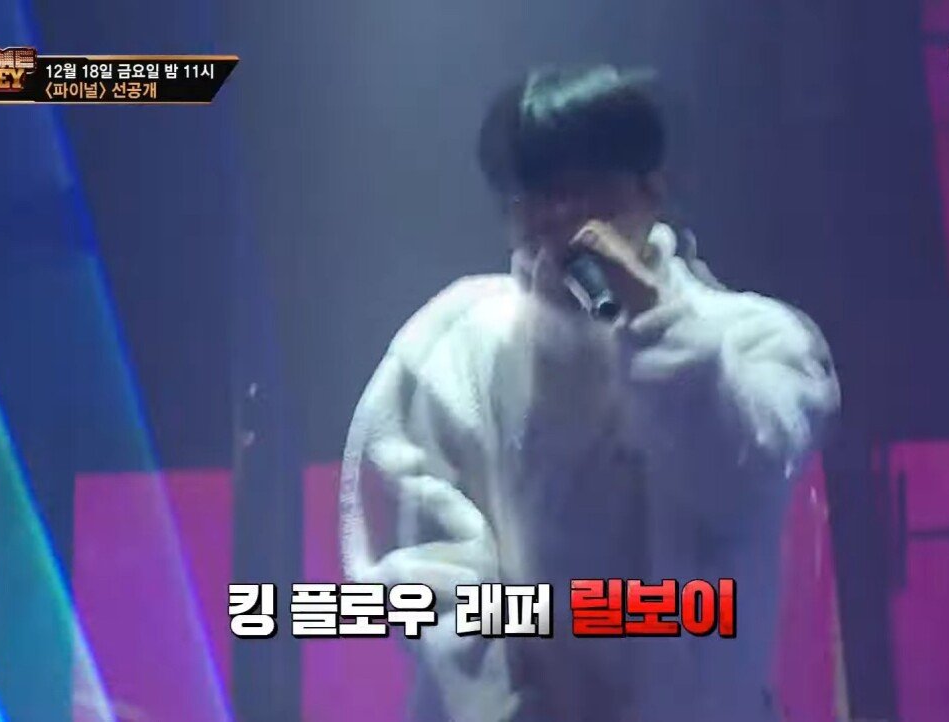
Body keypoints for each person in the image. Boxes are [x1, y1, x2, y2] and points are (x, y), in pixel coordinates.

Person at [339, 64, 841, 722]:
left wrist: (656, 323)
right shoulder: (452, 346)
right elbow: (422, 568)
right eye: (536, 192)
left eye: (586, 188)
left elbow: (739, 480)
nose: (561, 215)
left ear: (651, 188)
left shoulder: (757, 338)